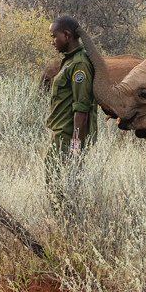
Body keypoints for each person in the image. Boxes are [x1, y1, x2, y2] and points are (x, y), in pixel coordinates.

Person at [44, 15, 97, 204]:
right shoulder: (69, 61)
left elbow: (81, 110)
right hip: (60, 134)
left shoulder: (80, 64)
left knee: (60, 187)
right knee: (54, 183)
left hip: (68, 137)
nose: (52, 42)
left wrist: (75, 148)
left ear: (67, 35)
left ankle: (67, 225)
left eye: (54, 36)